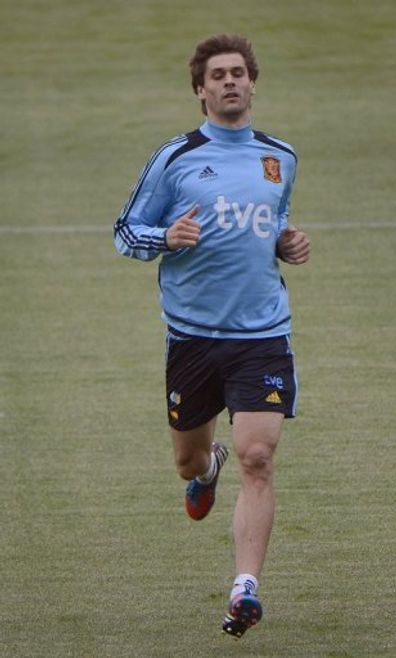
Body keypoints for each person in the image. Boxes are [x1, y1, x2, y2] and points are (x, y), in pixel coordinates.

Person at [113, 33, 310, 639]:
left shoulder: (281, 157)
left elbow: (272, 225)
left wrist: (286, 242)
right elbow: (126, 231)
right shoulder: (174, 159)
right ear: (200, 91)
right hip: (193, 340)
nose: (229, 82)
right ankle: (206, 471)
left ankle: (245, 587)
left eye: (238, 73)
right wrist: (164, 239)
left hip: (262, 336)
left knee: (259, 455)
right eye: (217, 75)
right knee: (187, 460)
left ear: (252, 83)